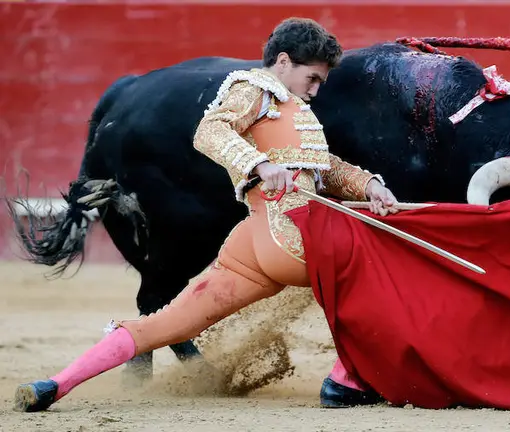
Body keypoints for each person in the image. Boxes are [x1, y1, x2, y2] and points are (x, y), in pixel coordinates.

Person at [14, 17, 400, 413]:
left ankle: (56, 384)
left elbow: (323, 166)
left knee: (166, 323)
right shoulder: (254, 89)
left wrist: (367, 185)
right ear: (283, 61)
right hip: (289, 237)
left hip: (251, 245)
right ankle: (345, 382)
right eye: (313, 78)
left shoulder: (289, 107)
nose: (316, 90)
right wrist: (259, 166)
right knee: (383, 269)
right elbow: (210, 130)